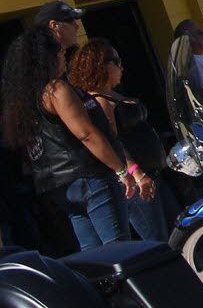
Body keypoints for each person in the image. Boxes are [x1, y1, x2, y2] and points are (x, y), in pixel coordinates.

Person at [1, 26, 147, 250]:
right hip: (90, 176)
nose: (63, 58)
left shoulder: (28, 100)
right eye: (59, 53)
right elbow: (86, 133)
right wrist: (120, 170)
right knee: (118, 247)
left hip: (61, 187)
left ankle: (103, 286)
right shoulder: (56, 89)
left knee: (94, 254)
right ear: (46, 58)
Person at [68, 39, 174, 242]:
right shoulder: (99, 101)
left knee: (175, 231)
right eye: (116, 61)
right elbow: (113, 142)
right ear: (101, 65)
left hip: (153, 173)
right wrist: (136, 173)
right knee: (157, 240)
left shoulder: (114, 95)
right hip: (137, 179)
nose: (121, 67)